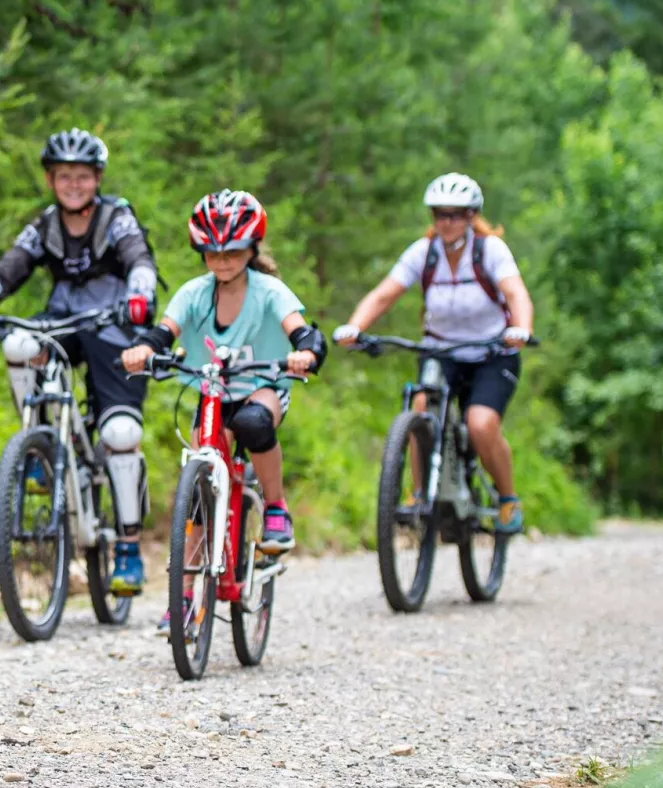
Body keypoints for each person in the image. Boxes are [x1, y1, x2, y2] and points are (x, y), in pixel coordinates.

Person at [0, 128, 160, 596]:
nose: (73, 184)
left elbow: (139, 259)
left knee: (120, 434)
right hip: (62, 324)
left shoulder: (117, 218)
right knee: (19, 345)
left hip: (116, 327)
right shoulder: (45, 224)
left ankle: (127, 549)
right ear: (50, 179)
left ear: (97, 178)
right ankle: (41, 445)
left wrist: (141, 296)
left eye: (82, 176)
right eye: (64, 175)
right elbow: (10, 266)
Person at [122, 190, 326, 627]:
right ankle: (186, 599)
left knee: (254, 424)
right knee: (197, 490)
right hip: (211, 390)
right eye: (212, 252)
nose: (222, 260)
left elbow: (302, 332)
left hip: (263, 385)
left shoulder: (269, 291)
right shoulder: (195, 293)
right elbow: (163, 332)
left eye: (232, 251)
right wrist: (143, 349)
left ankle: (275, 508)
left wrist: (305, 352)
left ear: (251, 249)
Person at [332, 172, 534, 532]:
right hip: (440, 350)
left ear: (472, 215)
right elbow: (384, 294)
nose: (446, 222)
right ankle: (420, 492)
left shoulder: (489, 250)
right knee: (420, 407)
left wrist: (520, 329)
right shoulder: (424, 253)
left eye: (455, 214)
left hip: (492, 352)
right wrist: (355, 327)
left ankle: (507, 498)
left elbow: (517, 293)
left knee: (481, 424)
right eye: (440, 214)